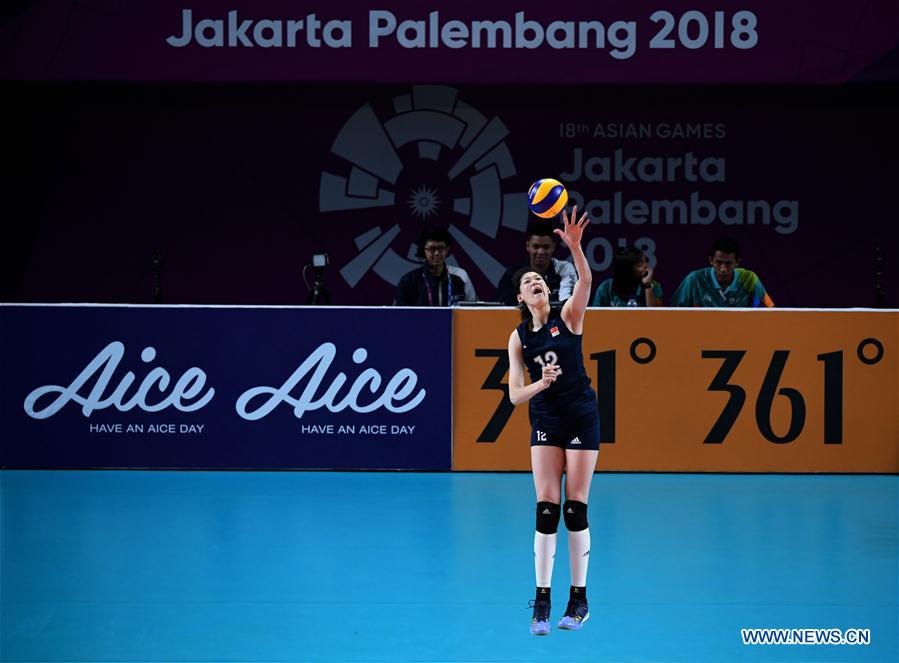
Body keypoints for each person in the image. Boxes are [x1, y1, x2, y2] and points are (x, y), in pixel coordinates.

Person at [507, 206, 599, 635]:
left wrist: (576, 248)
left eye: (539, 281)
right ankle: (541, 602)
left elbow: (586, 282)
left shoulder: (568, 317)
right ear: (521, 299)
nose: (535, 283)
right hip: (546, 416)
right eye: (528, 283)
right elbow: (513, 395)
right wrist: (539, 385)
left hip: (581, 415)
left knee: (574, 507)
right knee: (546, 509)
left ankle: (578, 600)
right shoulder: (518, 337)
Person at [670, 237, 774, 307]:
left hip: (739, 335)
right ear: (711, 260)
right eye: (718, 262)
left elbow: (771, 310)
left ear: (737, 262)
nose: (723, 268)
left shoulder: (749, 279)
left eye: (728, 263)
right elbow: (672, 312)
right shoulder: (695, 279)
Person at [495, 220, 578, 305]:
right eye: (536, 246)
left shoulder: (564, 269)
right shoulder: (513, 273)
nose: (541, 252)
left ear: (553, 246)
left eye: (546, 247)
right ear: (528, 246)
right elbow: (504, 307)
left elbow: (567, 304)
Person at [394, 227, 476, 306]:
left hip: (453, 321)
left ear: (447, 250)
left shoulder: (461, 275)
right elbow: (400, 315)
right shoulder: (408, 281)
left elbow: (473, 310)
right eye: (432, 249)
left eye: (440, 248)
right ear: (423, 250)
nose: (436, 253)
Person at [592, 245, 663, 307]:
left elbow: (656, 317)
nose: (646, 266)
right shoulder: (605, 288)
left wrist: (648, 286)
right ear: (627, 270)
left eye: (645, 261)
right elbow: (594, 318)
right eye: (640, 264)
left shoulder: (653, 285)